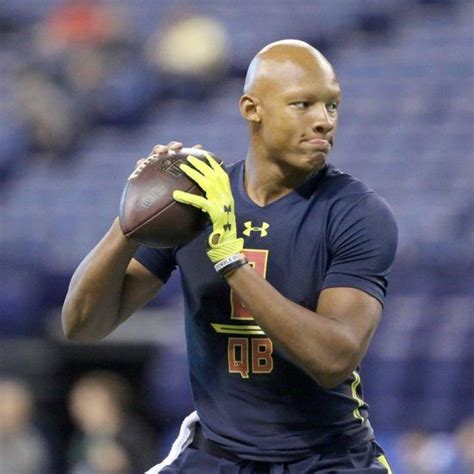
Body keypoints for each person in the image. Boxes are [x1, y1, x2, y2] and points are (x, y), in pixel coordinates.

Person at [62, 39, 398, 473]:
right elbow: (83, 325)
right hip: (218, 454)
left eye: (331, 107)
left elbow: (333, 360)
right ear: (251, 108)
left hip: (327, 457)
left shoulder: (357, 212)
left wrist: (230, 261)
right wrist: (133, 216)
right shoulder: (196, 199)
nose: (323, 122)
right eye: (303, 104)